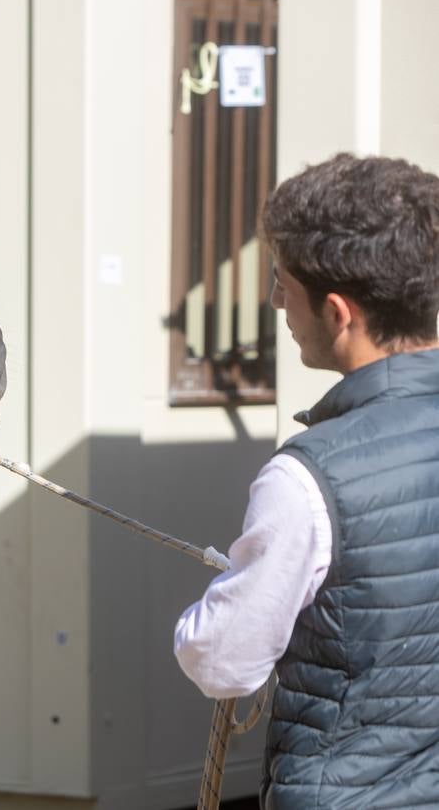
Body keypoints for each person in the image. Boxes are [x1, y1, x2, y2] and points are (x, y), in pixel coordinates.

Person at [173, 153, 439, 808]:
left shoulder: (307, 479)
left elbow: (222, 660)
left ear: (339, 313)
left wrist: (237, 588)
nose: (275, 302)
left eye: (283, 283)